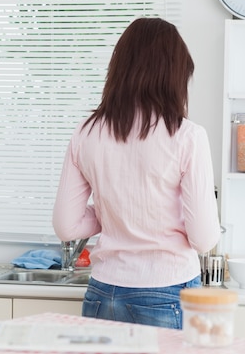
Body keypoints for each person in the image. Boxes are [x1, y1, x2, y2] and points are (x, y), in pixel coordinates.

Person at [52, 17, 220, 329]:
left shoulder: (86, 133)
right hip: (165, 290)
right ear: (174, 76)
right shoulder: (187, 136)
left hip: (103, 292)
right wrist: (139, 212)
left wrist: (113, 212)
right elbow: (204, 238)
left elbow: (66, 225)